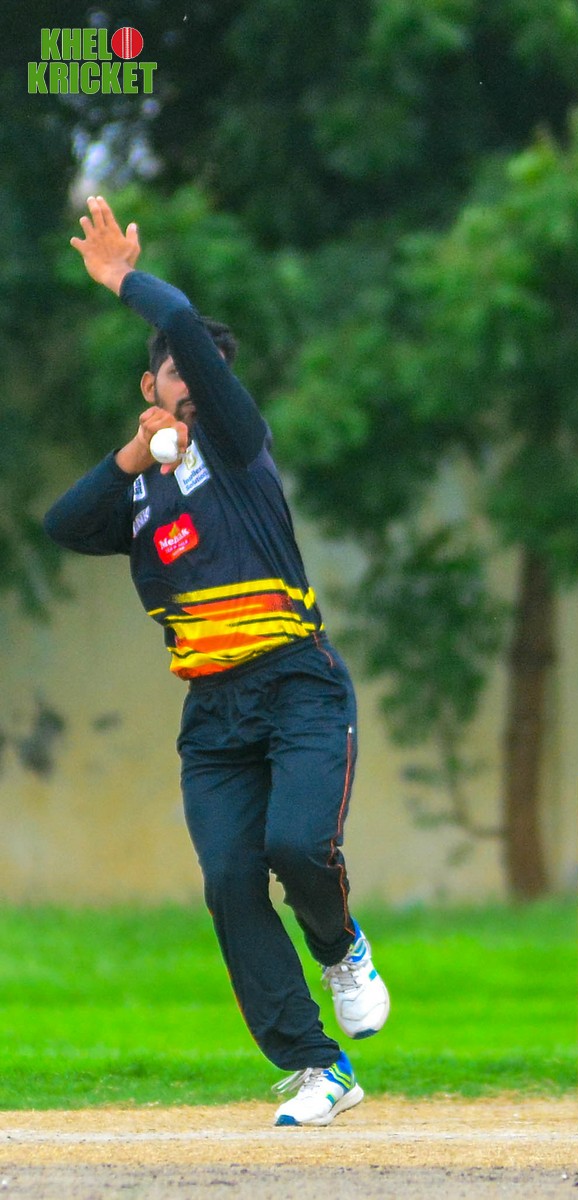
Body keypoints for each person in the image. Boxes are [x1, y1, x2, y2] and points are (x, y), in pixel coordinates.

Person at [44, 196, 390, 1128]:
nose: (195, 383)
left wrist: (123, 279)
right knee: (232, 883)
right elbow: (63, 525)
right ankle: (318, 1066)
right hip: (214, 714)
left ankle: (341, 946)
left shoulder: (239, 448)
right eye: (176, 375)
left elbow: (182, 326)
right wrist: (132, 456)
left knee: (296, 847)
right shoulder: (139, 498)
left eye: (204, 372)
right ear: (148, 388)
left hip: (298, 685)